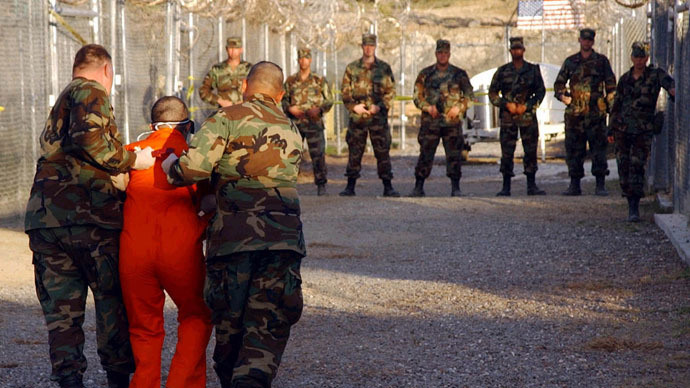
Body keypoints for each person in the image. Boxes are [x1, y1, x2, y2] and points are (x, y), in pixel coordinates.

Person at [162, 61, 305, 388]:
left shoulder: (225, 119)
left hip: (232, 241)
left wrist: (169, 163)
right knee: (265, 328)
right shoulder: (292, 129)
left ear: (244, 86)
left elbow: (191, 170)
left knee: (230, 330)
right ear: (280, 94)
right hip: (282, 242)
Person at [24, 44, 155, 388]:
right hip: (90, 219)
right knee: (111, 302)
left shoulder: (65, 98)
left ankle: (69, 380)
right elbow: (91, 140)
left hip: (48, 220)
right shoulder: (90, 90)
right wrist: (131, 162)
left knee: (62, 313)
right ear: (107, 70)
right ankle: (116, 379)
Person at [119, 96, 213, 388]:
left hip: (134, 253)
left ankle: (145, 383)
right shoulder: (194, 157)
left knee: (144, 328)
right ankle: (180, 383)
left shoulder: (131, 154)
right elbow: (210, 201)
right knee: (197, 315)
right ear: (187, 125)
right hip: (180, 252)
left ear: (151, 126)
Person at [608, 42, 675, 222]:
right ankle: (629, 197)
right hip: (623, 130)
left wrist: (673, 90)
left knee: (637, 166)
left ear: (647, 58)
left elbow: (669, 83)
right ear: (632, 58)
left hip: (642, 130)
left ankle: (634, 207)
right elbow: (617, 105)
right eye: (636, 57)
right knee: (623, 166)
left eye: (642, 57)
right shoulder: (625, 79)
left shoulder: (654, 75)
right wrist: (611, 128)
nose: (639, 60)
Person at [554, 28, 617, 196]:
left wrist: (611, 109)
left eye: (590, 40)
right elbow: (558, 84)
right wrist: (563, 96)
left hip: (596, 114)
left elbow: (611, 86)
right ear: (579, 40)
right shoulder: (570, 62)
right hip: (575, 114)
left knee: (599, 150)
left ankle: (600, 184)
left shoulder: (601, 61)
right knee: (574, 150)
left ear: (593, 42)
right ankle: (574, 184)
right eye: (584, 39)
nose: (587, 42)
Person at [410, 39, 473, 197]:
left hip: (451, 123)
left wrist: (458, 107)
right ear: (436, 54)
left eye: (445, 53)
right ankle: (419, 186)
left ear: (449, 54)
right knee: (425, 153)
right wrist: (427, 107)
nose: (442, 56)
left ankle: (455, 187)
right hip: (430, 123)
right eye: (440, 53)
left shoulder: (459, 74)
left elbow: (470, 96)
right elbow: (417, 97)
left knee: (454, 155)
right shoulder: (425, 74)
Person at [340, 33, 399, 197]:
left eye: (371, 45)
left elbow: (390, 92)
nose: (368, 48)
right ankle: (350, 186)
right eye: (366, 45)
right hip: (358, 118)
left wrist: (379, 107)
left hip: (377, 118)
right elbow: (345, 93)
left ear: (375, 47)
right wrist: (354, 107)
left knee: (382, 152)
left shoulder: (384, 68)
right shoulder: (352, 68)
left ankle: (388, 186)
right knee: (355, 151)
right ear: (362, 47)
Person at [489, 37, 547, 196]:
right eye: (514, 49)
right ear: (510, 51)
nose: (517, 51)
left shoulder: (533, 70)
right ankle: (506, 186)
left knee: (530, 150)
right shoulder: (502, 71)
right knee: (507, 152)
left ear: (523, 50)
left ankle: (531, 185)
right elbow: (492, 93)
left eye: (519, 48)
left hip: (527, 117)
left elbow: (540, 92)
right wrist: (506, 104)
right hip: (508, 118)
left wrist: (527, 106)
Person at [283, 47, 334, 196]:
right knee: (292, 155)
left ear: (310, 60)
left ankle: (321, 185)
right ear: (298, 60)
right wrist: (290, 109)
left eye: (306, 58)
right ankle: (289, 186)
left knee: (318, 155)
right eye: (300, 58)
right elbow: (284, 99)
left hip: (314, 123)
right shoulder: (291, 81)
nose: (303, 61)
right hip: (296, 124)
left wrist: (319, 110)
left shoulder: (319, 80)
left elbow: (329, 100)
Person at [199, 37, 252, 108]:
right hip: (224, 111)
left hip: (245, 110)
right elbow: (203, 91)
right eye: (231, 48)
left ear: (241, 50)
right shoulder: (218, 69)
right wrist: (219, 101)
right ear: (226, 49)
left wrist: (246, 101)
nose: (233, 51)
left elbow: (259, 90)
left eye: (236, 48)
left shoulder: (249, 69)